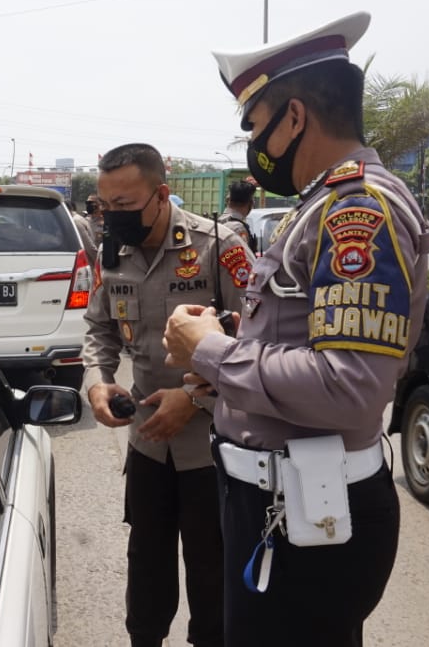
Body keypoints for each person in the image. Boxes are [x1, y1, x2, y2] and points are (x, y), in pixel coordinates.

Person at [162, 12, 429, 647]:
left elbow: (350, 386)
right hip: (284, 504)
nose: (253, 145)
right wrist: (224, 341)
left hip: (305, 513)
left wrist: (215, 354)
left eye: (255, 125)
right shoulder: (320, 203)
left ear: (295, 117)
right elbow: (304, 332)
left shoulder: (359, 209)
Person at [82, 143, 251, 647]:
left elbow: (259, 338)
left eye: (126, 206)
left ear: (161, 194)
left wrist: (195, 397)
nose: (114, 217)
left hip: (213, 449)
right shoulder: (111, 251)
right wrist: (97, 380)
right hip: (148, 445)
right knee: (147, 569)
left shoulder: (217, 245)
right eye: (106, 206)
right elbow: (99, 328)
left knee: (212, 574)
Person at [218, 180, 256, 253]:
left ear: (227, 200)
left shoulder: (217, 221)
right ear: (251, 203)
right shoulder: (238, 228)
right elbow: (243, 259)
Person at [68, 201, 98, 266]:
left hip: (87, 263)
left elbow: (89, 246)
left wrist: (98, 264)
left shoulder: (75, 222)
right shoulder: (78, 218)